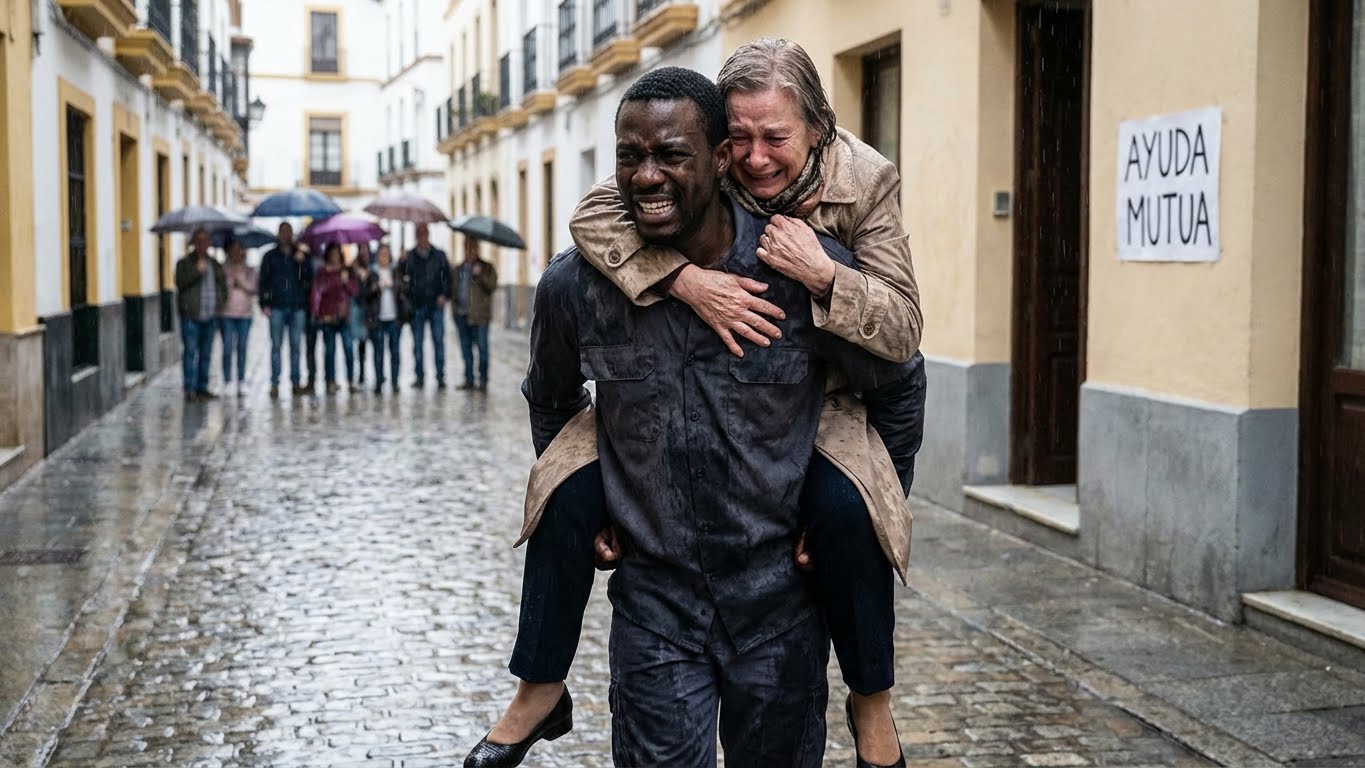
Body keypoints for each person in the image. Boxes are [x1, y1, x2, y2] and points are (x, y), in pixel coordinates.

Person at [476, 39, 925, 768]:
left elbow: (901, 358)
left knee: (852, 512)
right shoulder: (585, 276)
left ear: (816, 130)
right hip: (656, 612)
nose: (755, 159)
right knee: (562, 488)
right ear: (723, 147)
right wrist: (680, 278)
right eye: (741, 138)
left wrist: (880, 498)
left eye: (773, 139)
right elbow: (552, 389)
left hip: (779, 605)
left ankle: (872, 706)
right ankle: (538, 686)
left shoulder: (848, 207)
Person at [257, 222, 312, 399]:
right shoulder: (270, 257)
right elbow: (263, 281)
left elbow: (309, 278)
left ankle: (295, 382)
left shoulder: (301, 255)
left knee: (295, 346)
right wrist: (264, 303)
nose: (285, 235)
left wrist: (302, 263)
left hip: (297, 306)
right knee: (276, 346)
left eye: (288, 232)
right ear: (278, 234)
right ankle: (275, 383)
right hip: (277, 306)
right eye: (283, 232)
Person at [174, 227, 227, 402]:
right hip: (191, 315)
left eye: (206, 240)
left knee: (206, 353)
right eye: (199, 241)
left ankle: (202, 387)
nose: (203, 244)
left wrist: (221, 302)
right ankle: (189, 388)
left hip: (210, 315)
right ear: (194, 243)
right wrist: (197, 271)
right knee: (190, 352)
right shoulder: (184, 263)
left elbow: (222, 285)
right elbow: (180, 283)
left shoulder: (214, 263)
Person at [402, 223, 451, 389]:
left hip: (436, 304)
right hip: (418, 305)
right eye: (419, 234)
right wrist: (401, 262)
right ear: (416, 236)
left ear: (428, 235)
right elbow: (404, 279)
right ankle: (419, 377)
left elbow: (448, 277)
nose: (422, 237)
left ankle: (440, 376)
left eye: (424, 234)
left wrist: (445, 294)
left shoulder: (439, 255)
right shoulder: (410, 256)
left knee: (438, 341)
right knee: (417, 343)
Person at [310, 242, 360, 394]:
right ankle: (330, 381)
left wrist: (346, 281)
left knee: (349, 349)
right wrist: (317, 314)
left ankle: (351, 380)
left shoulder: (346, 271)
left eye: (337, 253)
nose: (335, 256)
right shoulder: (322, 272)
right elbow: (317, 292)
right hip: (328, 317)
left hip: (343, 316)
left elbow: (354, 291)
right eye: (332, 254)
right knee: (330, 351)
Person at [452, 236, 498, 390]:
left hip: (480, 316)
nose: (470, 250)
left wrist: (480, 275)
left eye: (473, 247)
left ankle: (483, 380)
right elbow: (454, 291)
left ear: (477, 249)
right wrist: (454, 312)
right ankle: (469, 379)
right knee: (466, 350)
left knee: (482, 349)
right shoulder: (458, 269)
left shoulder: (487, 267)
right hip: (462, 314)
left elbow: (492, 286)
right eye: (467, 247)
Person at [363, 243, 406, 394]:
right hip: (378, 319)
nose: (384, 257)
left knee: (395, 352)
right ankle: (379, 380)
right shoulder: (372, 273)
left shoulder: (395, 271)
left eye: (386, 254)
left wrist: (393, 285)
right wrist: (376, 287)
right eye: (381, 254)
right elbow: (365, 294)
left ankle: (395, 382)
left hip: (394, 318)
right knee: (378, 352)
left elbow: (403, 288)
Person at [217, 236, 256, 397]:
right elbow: (219, 289)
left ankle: (241, 380)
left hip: (245, 315)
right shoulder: (222, 269)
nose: (236, 253)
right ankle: (227, 381)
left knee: (242, 348)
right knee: (227, 347)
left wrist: (241, 283)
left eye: (238, 249)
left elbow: (254, 289)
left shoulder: (249, 269)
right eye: (232, 250)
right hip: (226, 314)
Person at [349, 243, 372, 386]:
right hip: (358, 306)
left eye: (365, 249)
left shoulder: (373, 265)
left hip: (370, 307)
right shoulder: (353, 267)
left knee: (369, 341)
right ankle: (359, 373)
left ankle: (370, 373)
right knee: (359, 341)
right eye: (361, 249)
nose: (364, 252)